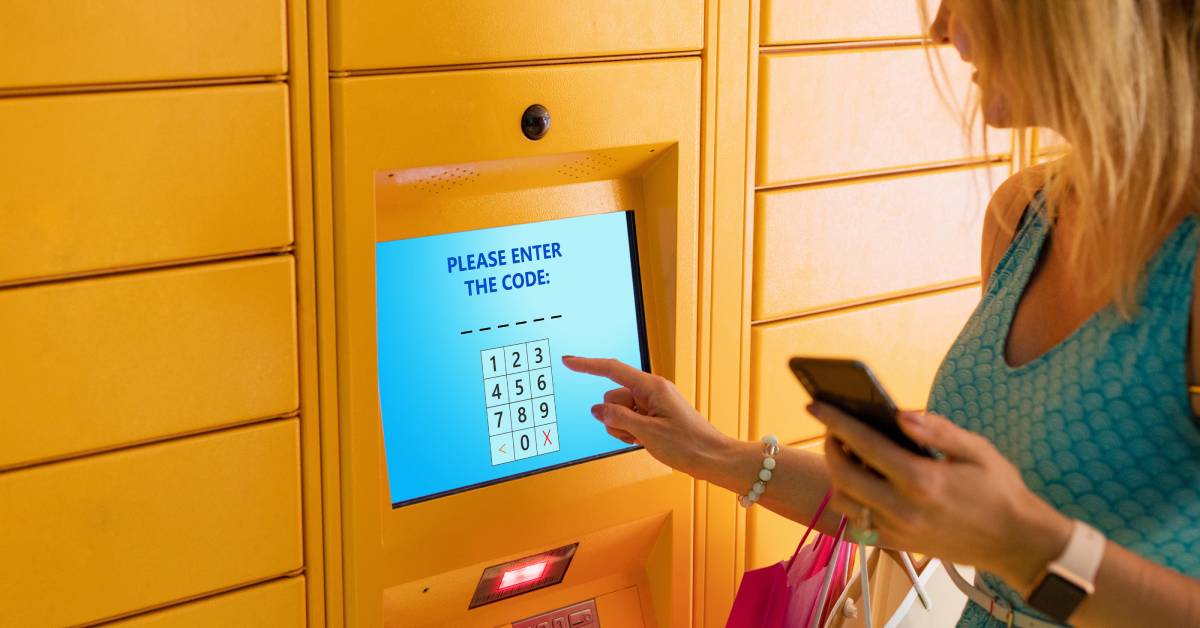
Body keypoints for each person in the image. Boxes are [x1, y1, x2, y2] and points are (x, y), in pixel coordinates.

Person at [562, 1, 1200, 625]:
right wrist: (712, 453)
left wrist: (1027, 547)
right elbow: (937, 512)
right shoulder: (1023, 218)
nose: (943, 26)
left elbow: (1011, 540)